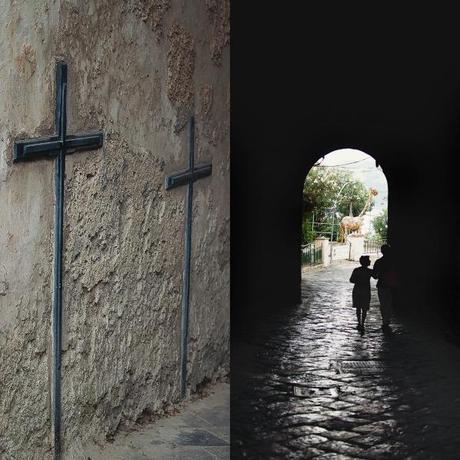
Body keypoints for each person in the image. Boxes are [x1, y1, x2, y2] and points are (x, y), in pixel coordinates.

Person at [372, 244, 397, 331]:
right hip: (392, 285)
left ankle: (385, 320)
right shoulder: (394, 261)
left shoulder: (378, 262)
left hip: (382, 284)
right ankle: (387, 319)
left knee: (383, 303)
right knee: (389, 303)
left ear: (381, 251)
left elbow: (374, 276)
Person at [350, 255, 373, 334]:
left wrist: (358, 280)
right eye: (369, 260)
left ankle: (359, 322)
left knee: (358, 307)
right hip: (366, 290)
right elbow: (376, 276)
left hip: (357, 290)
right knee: (364, 308)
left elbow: (351, 280)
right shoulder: (370, 271)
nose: (370, 261)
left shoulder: (356, 270)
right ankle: (362, 323)